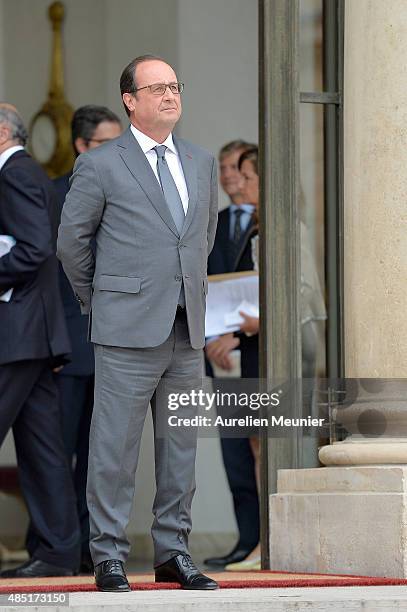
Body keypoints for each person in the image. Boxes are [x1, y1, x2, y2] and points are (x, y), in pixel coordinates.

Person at [57, 55, 219, 592]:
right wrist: (103, 300)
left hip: (185, 331)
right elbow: (72, 244)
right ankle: (108, 555)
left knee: (180, 450)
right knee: (114, 451)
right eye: (157, 88)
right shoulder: (102, 163)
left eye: (175, 86)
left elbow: (201, 241)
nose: (170, 96)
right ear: (130, 100)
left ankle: (174, 551)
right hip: (125, 329)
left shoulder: (200, 161)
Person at [25, 105, 122, 575]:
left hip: (111, 348)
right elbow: (45, 274)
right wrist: (55, 344)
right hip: (65, 350)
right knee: (53, 453)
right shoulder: (51, 193)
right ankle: (46, 548)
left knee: (99, 458)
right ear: (83, 146)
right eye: (109, 143)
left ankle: (88, 548)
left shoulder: (129, 193)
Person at [224, 146, 327, 571]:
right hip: (258, 347)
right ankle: (267, 542)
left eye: (248, 178)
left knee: (277, 443)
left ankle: (279, 542)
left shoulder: (290, 228)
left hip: (282, 350)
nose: (241, 185)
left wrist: (259, 319)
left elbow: (303, 294)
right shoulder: (261, 227)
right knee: (259, 444)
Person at [0, 104, 81, 577]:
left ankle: (57, 552)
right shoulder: (26, 173)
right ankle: (57, 554)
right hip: (33, 335)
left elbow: (34, 249)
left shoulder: (15, 173)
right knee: (43, 450)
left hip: (17, 333)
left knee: (44, 450)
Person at [203, 141, 261, 569]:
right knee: (235, 453)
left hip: (257, 350)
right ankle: (246, 540)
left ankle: (264, 541)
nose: (227, 175)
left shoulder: (271, 222)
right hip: (219, 353)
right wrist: (210, 338)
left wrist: (237, 338)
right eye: (222, 167)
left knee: (264, 448)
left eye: (234, 167)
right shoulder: (213, 223)